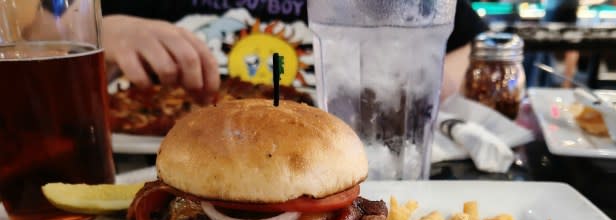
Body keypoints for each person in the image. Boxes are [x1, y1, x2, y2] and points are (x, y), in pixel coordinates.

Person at [99, 0, 486, 101]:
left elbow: (474, 43)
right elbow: (46, 26)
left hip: (347, 157)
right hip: (155, 153)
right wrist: (106, 30)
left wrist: (430, 83)